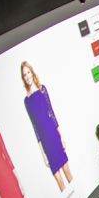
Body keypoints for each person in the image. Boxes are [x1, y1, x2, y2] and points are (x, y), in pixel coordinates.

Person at [21, 61, 73, 191]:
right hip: (45, 141)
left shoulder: (42, 89)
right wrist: (42, 153)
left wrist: (61, 137)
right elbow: (35, 128)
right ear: (23, 78)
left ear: (32, 73)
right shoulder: (26, 101)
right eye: (24, 75)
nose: (27, 76)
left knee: (67, 171)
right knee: (59, 180)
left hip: (53, 134)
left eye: (28, 72)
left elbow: (52, 113)